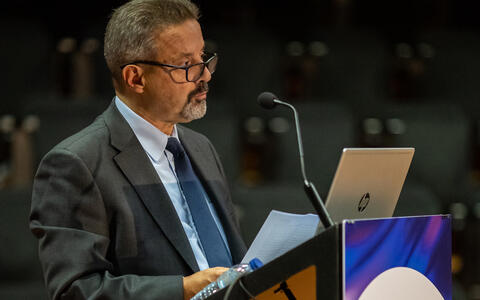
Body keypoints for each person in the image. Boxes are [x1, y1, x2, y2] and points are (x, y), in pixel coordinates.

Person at [29, 0, 247, 299]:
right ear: (136, 78)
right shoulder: (77, 164)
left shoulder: (201, 148)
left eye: (203, 58)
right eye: (186, 65)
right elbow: (76, 290)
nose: (205, 75)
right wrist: (182, 290)